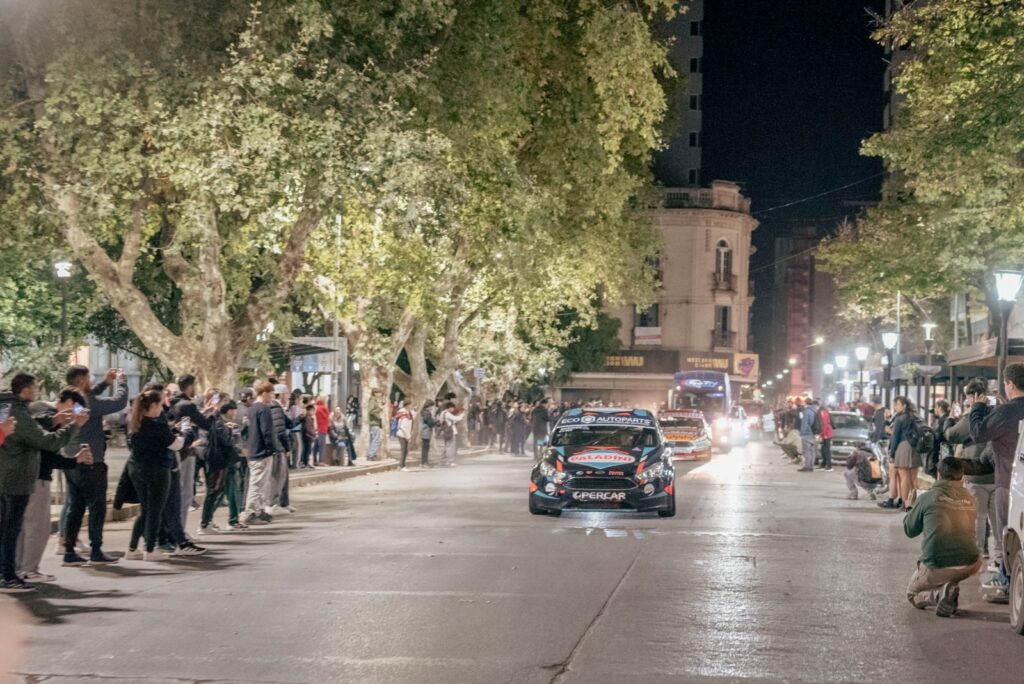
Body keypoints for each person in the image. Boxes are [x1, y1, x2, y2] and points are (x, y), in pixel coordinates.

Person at [0, 373, 84, 592]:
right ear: (26, 389)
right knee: (12, 529)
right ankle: (8, 575)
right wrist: (73, 426)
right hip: (16, 476)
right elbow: (45, 441)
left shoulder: (6, 407)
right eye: (35, 387)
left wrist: (53, 421)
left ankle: (8, 572)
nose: (36, 392)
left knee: (8, 528)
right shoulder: (16, 411)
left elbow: (27, 429)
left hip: (7, 475)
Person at [17, 389, 92, 582]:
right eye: (76, 409)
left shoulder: (36, 410)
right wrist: (74, 459)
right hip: (37, 477)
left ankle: (17, 569)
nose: (75, 415)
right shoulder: (48, 416)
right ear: (69, 403)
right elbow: (49, 452)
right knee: (37, 527)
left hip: (23, 476)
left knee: (22, 526)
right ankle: (28, 569)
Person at [60, 365, 128, 566]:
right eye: (89, 378)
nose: (91, 381)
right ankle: (96, 550)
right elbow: (119, 402)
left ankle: (69, 550)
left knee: (75, 507)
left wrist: (105, 383)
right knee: (97, 507)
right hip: (91, 461)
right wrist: (122, 382)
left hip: (71, 460)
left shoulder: (70, 399)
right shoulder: (89, 403)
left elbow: (89, 396)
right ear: (82, 381)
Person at [969, 363, 1024, 596]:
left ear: (1010, 384)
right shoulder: (1007, 411)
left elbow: (978, 433)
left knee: (1008, 534)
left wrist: (977, 408)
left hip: (1009, 482)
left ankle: (1007, 581)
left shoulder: (1006, 412)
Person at [903, 457, 982, 617]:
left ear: (939, 475)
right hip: (971, 563)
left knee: (912, 594)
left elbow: (910, 531)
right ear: (962, 477)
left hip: (938, 564)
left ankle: (939, 595)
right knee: (952, 566)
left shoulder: (927, 497)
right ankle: (949, 588)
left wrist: (909, 508)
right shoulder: (971, 498)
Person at [125, 390, 184, 561]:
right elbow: (175, 445)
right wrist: (185, 434)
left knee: (145, 510)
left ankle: (132, 548)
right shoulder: (157, 425)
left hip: (137, 469)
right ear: (153, 405)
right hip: (157, 471)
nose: (161, 409)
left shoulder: (135, 424)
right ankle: (150, 550)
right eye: (160, 405)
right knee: (155, 511)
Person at [946, 379, 997, 559]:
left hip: (976, 472)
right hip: (996, 472)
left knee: (979, 516)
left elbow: (951, 435)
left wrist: (950, 419)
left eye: (968, 397)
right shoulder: (996, 413)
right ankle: (999, 556)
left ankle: (979, 551)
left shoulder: (972, 417)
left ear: (973, 396)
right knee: (996, 518)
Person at [197, 400, 241, 535]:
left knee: (215, 492)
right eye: (233, 410)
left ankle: (207, 521)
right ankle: (205, 523)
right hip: (218, 462)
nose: (235, 413)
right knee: (213, 492)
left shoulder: (216, 421)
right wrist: (236, 454)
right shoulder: (218, 423)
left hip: (216, 461)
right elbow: (225, 443)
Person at [241, 382, 278, 526]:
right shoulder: (264, 409)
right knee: (257, 484)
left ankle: (258, 510)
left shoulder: (251, 409)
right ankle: (249, 512)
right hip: (261, 451)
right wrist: (272, 449)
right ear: (264, 393)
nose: (273, 397)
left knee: (259, 483)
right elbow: (267, 432)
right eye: (271, 394)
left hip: (252, 449)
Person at [880, 396, 921, 511]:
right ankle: (913, 503)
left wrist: (892, 454)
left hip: (903, 447)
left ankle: (906, 504)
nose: (895, 407)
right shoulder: (914, 416)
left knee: (904, 478)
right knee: (913, 479)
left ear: (904, 405)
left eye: (897, 404)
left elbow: (895, 438)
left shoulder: (900, 418)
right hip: (915, 448)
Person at [440, 401, 466, 467]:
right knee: (451, 447)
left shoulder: (442, 413)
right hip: (450, 431)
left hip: (445, 431)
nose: (453, 409)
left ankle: (443, 461)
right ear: (449, 407)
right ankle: (450, 461)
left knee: (446, 446)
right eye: (453, 408)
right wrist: (462, 415)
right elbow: (456, 418)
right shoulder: (447, 413)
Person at [797, 399, 816, 472]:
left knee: (806, 451)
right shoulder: (814, 411)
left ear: (805, 403)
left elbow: (804, 423)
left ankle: (807, 466)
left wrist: (801, 433)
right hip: (813, 433)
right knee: (812, 451)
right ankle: (811, 466)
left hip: (807, 433)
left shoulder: (806, 411)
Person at [395, 401, 414, 470]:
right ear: (408, 405)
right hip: (402, 434)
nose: (412, 406)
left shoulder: (407, 413)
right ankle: (401, 465)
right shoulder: (404, 415)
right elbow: (403, 427)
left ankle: (402, 465)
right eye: (411, 405)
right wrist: (408, 437)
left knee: (405, 450)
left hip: (404, 434)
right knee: (404, 450)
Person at [419, 400, 438, 467]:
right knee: (426, 448)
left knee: (425, 448)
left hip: (424, 431)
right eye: (431, 406)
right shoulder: (426, 413)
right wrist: (436, 421)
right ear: (429, 406)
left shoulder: (423, 412)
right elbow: (430, 423)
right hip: (426, 431)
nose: (432, 408)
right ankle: (424, 462)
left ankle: (423, 462)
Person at [367, 389, 384, 461]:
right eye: (379, 393)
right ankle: (371, 455)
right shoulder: (372, 401)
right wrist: (379, 409)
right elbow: (370, 411)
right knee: (376, 440)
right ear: (375, 393)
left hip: (375, 423)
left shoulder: (374, 401)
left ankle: (371, 454)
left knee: (373, 439)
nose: (380, 395)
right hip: (374, 422)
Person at [817, 401, 834, 471]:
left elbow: (824, 425)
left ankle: (829, 466)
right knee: (823, 450)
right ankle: (823, 464)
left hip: (826, 434)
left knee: (826, 450)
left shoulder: (823, 413)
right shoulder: (825, 412)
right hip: (826, 433)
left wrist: (821, 435)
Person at [314, 396, 330, 466]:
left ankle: (314, 460)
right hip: (322, 429)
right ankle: (321, 461)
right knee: (322, 446)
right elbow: (327, 419)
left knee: (315, 446)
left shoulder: (315, 407)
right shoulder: (324, 408)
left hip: (315, 429)